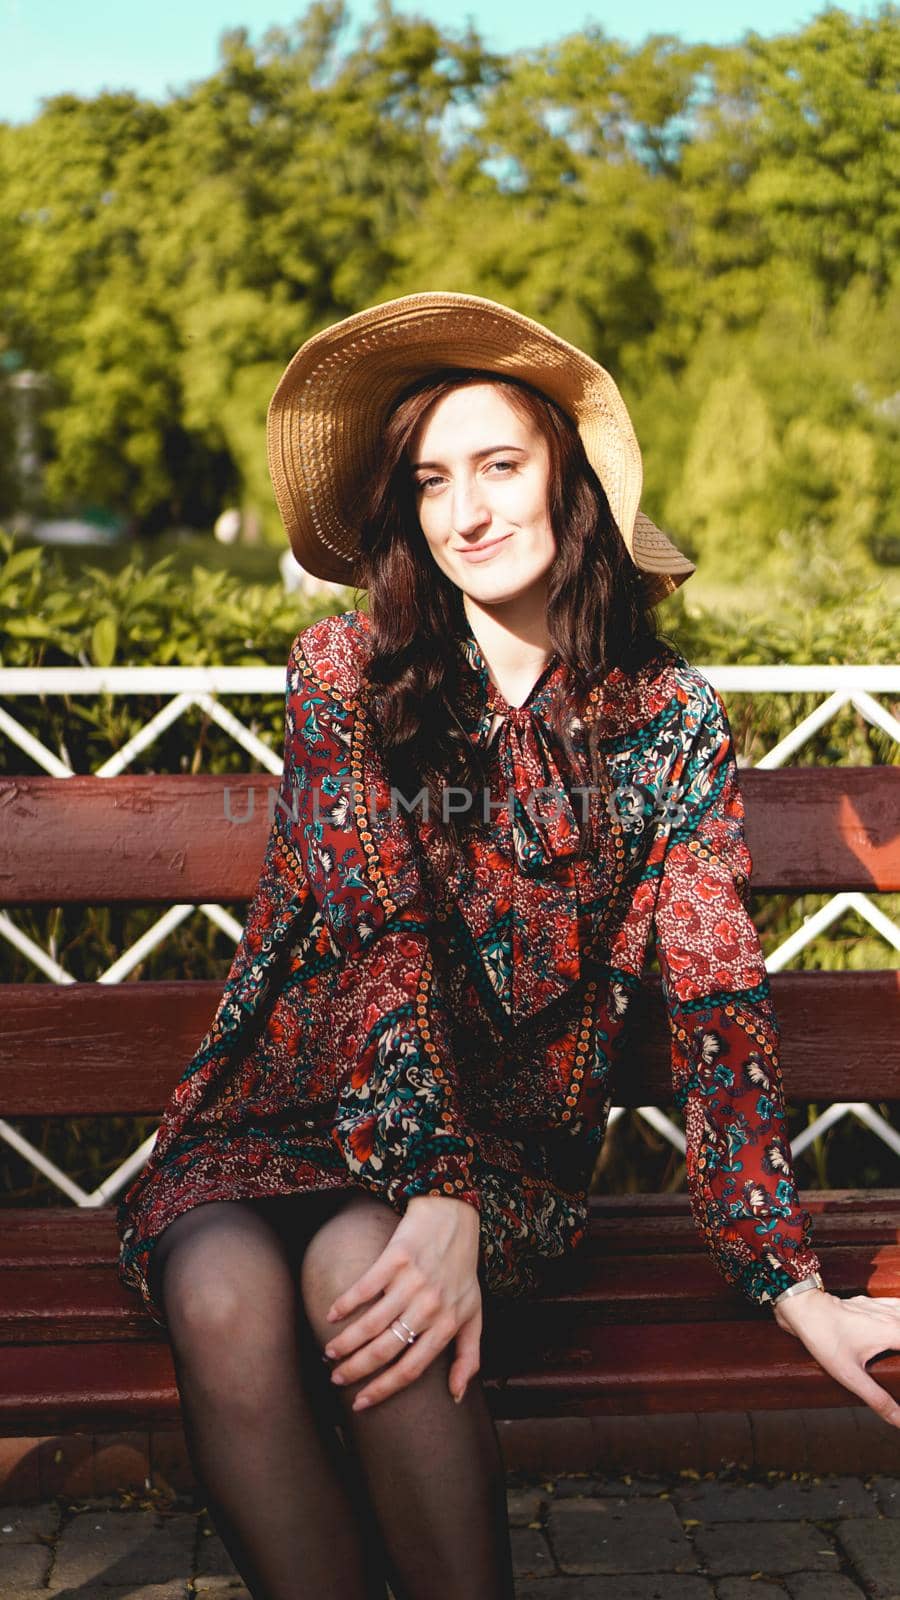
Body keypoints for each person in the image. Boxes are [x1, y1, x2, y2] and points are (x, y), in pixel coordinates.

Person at [117, 292, 900, 1600]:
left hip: (500, 1153)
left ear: (572, 486)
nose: (465, 511)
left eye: (500, 466)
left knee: (361, 1271)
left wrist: (790, 1283)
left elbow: (717, 999)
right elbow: (373, 949)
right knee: (220, 1289)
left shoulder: (667, 720)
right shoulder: (346, 675)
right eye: (433, 479)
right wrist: (435, 1188)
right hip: (285, 1113)